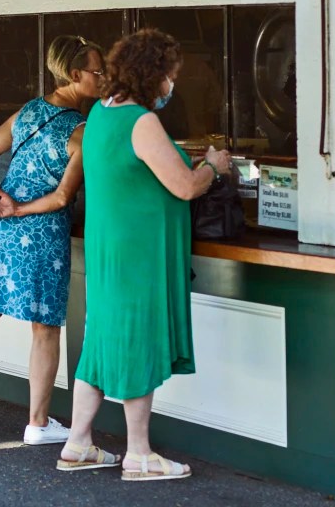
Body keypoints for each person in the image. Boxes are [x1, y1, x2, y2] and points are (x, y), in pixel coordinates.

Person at [58, 28, 230, 480]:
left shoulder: (99, 114)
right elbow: (185, 186)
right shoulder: (141, 121)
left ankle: (78, 443)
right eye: (170, 75)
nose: (172, 84)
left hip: (108, 246)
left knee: (100, 342)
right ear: (153, 75)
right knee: (136, 337)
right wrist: (215, 164)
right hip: (138, 251)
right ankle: (139, 454)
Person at [0, 36, 102, 444]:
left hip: (1, 228)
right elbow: (64, 197)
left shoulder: (29, 112)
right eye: (98, 72)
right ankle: (38, 422)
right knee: (45, 328)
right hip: (43, 233)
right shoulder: (82, 133)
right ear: (76, 75)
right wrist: (15, 207)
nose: (105, 78)